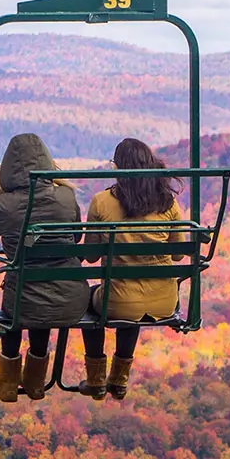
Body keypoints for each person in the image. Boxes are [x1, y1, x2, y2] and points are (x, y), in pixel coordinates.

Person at [0, 133, 90, 402]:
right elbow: (75, 239)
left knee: (22, 299)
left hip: (23, 299)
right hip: (71, 297)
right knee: (40, 294)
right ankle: (35, 381)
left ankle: (7, 380)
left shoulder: (5, 204)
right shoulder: (66, 196)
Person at [80, 138, 189, 400]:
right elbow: (177, 255)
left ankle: (96, 380)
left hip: (117, 301)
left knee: (87, 301)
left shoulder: (101, 201)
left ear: (118, 168)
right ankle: (118, 380)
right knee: (134, 301)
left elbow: (92, 256)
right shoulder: (168, 203)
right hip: (164, 301)